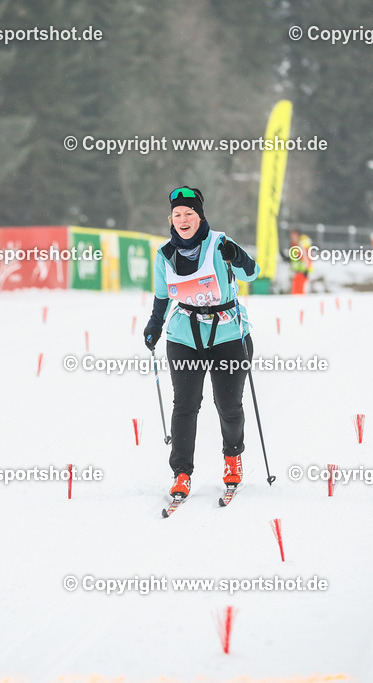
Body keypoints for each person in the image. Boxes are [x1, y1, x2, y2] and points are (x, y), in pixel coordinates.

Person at [142, 186, 260, 499]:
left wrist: (238, 257)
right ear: (171, 219)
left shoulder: (221, 243)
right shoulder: (164, 254)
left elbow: (252, 273)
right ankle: (181, 473)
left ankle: (232, 457)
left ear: (200, 216)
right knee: (185, 405)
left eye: (189, 214)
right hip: (184, 336)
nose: (183, 219)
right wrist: (154, 325)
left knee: (228, 405)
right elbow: (163, 295)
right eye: (178, 214)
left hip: (229, 335)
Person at [289, 230, 313, 294]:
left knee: (299, 290)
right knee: (297, 289)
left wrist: (306, 270)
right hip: (299, 271)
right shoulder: (297, 246)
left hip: (302, 271)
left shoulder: (302, 248)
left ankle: (300, 300)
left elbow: (305, 259)